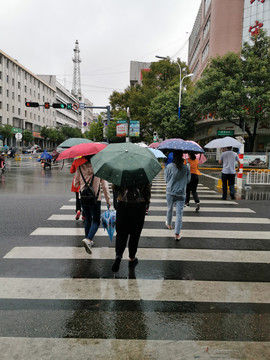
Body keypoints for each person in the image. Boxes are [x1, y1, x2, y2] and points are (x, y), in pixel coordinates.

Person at [74, 155, 111, 254]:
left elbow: (75, 184)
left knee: (88, 219)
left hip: (83, 197)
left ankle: (87, 240)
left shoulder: (80, 167)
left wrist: (83, 182)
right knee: (96, 221)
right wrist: (108, 200)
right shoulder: (99, 168)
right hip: (95, 198)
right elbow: (104, 186)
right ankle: (89, 239)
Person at [111, 183, 151, 272]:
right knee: (135, 234)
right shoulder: (142, 173)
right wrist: (146, 203)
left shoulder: (122, 171)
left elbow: (114, 187)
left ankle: (118, 255)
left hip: (123, 204)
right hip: (139, 206)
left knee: (121, 233)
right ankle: (132, 258)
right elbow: (147, 190)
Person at [165, 150, 191, 240]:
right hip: (181, 193)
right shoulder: (186, 168)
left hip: (170, 191)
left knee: (169, 209)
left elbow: (166, 179)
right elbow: (188, 181)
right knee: (179, 214)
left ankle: (169, 224)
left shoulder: (169, 167)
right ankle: (177, 234)